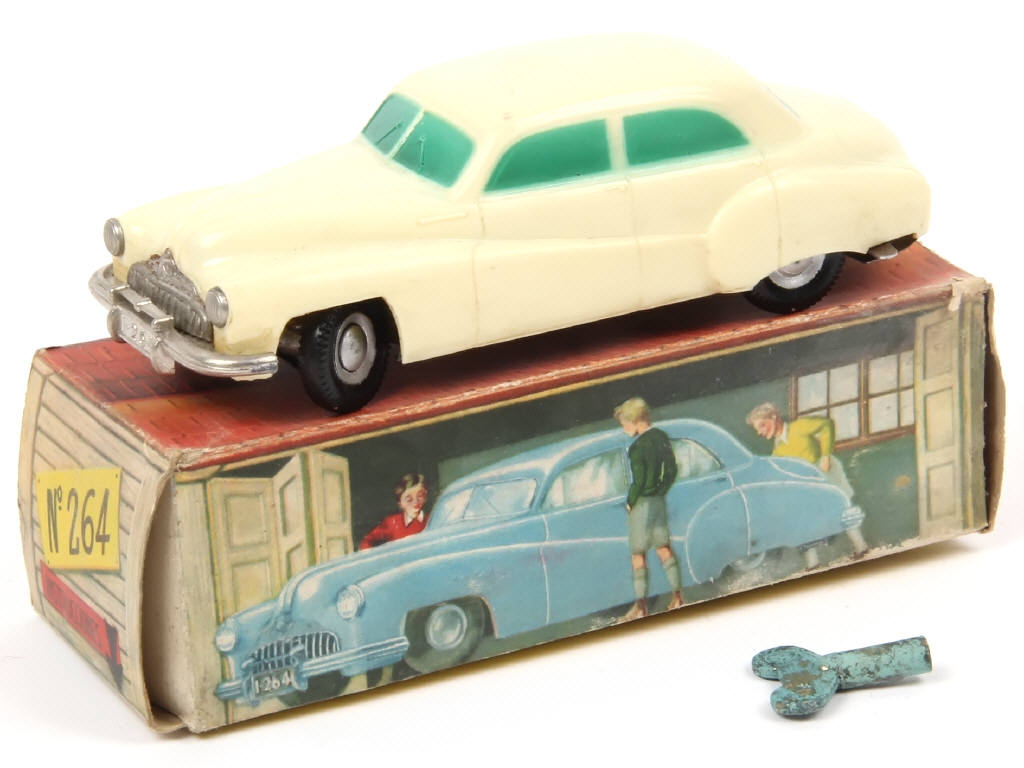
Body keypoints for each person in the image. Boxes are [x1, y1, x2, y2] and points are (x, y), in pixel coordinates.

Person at [745, 403, 868, 562]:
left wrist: (825, 455)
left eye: (762, 425)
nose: (760, 432)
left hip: (827, 474)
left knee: (842, 510)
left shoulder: (799, 427)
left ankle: (861, 547)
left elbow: (827, 424)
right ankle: (812, 563)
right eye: (757, 430)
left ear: (774, 417)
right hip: (810, 485)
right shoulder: (778, 450)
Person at [614, 397, 685, 621]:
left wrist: (630, 501)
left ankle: (641, 607)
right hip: (658, 501)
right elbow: (672, 470)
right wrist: (661, 490)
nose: (624, 428)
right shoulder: (661, 437)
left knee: (638, 555)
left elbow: (639, 481)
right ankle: (678, 598)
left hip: (642, 503)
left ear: (634, 420)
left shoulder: (637, 448)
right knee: (664, 548)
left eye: (624, 423)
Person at [359, 473, 430, 550]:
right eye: (409, 499)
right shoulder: (392, 522)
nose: (415, 502)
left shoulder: (431, 520)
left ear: (425, 496)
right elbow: (367, 540)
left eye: (420, 496)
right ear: (400, 503)